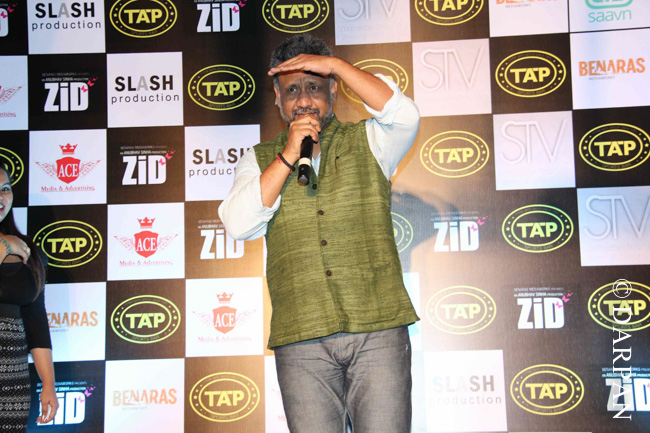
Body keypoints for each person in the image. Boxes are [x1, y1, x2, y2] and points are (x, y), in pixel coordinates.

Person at [219, 34, 420, 432]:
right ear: (277, 99)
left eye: (315, 86)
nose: (304, 100)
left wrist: (337, 66)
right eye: (292, 90)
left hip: (378, 330)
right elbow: (238, 223)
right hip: (302, 339)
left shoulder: (372, 140)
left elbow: (404, 116)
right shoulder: (260, 160)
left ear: (334, 91)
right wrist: (288, 155)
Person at [0, 165, 58, 431]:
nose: (1, 197)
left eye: (5, 189)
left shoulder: (27, 251)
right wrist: (4, 246)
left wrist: (48, 383)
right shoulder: (12, 246)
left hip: (12, 381)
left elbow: (35, 320)